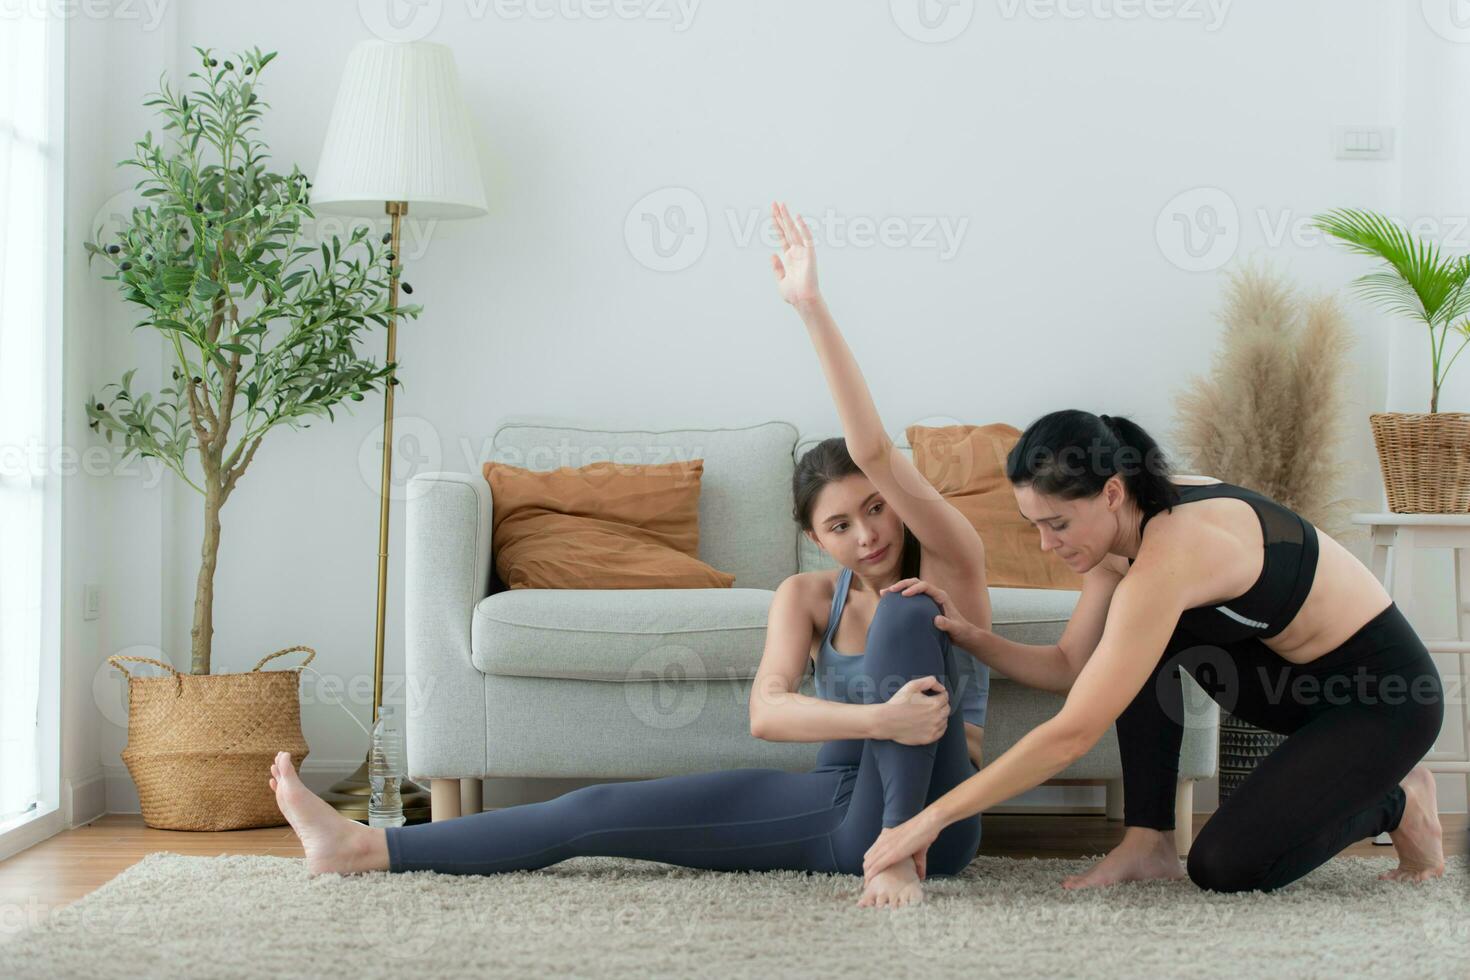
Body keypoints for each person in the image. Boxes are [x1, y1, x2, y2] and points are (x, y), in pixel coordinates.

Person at [268, 201, 993, 909]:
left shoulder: (949, 563)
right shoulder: (808, 596)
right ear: (816, 538)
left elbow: (869, 447)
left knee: (905, 613)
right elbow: (768, 714)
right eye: (840, 525)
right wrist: (878, 722)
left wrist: (810, 309)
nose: (866, 535)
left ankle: (899, 849)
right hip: (834, 807)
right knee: (598, 812)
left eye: (875, 507)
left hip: (939, 818)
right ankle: (362, 847)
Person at [861, 408, 1447, 893]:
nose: (1046, 544)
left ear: (1112, 491)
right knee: (1140, 636)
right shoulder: (1123, 544)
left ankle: (1397, 797)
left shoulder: (1174, 553)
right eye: (1033, 525)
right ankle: (1148, 840)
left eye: (1058, 523)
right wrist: (969, 633)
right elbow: (1069, 667)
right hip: (1290, 688)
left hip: (1379, 700)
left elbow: (1073, 733)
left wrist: (929, 820)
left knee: (1227, 867)